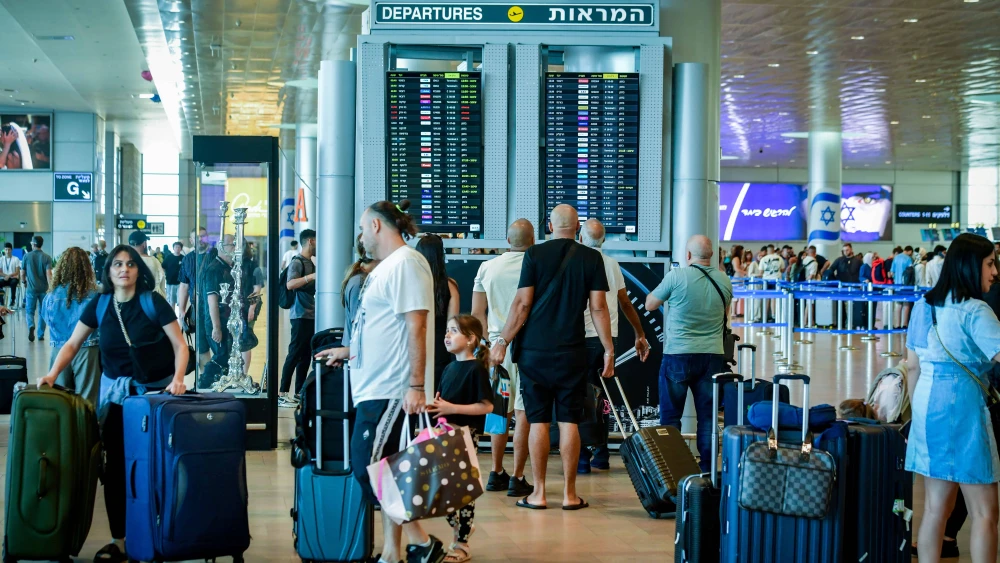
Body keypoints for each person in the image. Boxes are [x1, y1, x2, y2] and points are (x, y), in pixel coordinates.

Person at [39, 245, 188, 563]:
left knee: (155, 466)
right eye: (118, 264)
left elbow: (180, 345)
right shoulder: (101, 304)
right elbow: (72, 343)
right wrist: (52, 374)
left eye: (130, 264)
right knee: (117, 469)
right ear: (108, 271)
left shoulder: (152, 302)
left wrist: (178, 379)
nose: (124, 269)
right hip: (117, 402)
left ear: (139, 270)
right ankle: (118, 540)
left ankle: (157, 535)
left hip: (153, 399)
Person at [489, 204, 614, 511]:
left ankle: (539, 493)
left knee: (538, 421)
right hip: (573, 350)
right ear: (578, 227)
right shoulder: (591, 258)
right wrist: (609, 349)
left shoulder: (534, 254)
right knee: (570, 421)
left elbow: (522, 304)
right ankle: (570, 495)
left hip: (534, 352)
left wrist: (502, 341)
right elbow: (598, 307)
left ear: (549, 226)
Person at [343, 200, 445, 563]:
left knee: (368, 469)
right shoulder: (388, 268)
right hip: (376, 386)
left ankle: (422, 542)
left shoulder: (406, 263)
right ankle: (391, 553)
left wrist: (415, 386)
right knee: (387, 469)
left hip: (392, 390)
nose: (360, 237)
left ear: (375, 226)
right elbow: (383, 328)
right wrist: (348, 352)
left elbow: (416, 325)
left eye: (362, 229)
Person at [904, 233, 1000, 563]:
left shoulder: (923, 306)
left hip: (927, 406)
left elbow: (912, 366)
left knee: (935, 508)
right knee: (985, 512)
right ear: (971, 265)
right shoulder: (976, 311)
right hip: (965, 409)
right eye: (990, 264)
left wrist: (917, 417)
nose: (995, 272)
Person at [645, 235, 733, 472]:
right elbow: (725, 313)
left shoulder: (677, 276)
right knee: (708, 418)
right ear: (712, 255)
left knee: (670, 418)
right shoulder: (724, 279)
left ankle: (673, 471)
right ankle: (707, 470)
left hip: (678, 355)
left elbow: (649, 304)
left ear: (688, 255)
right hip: (712, 356)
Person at [577, 219, 650, 473]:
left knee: (581, 397)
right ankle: (602, 453)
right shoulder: (611, 264)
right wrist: (640, 333)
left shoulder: (576, 261)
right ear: (604, 240)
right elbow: (625, 303)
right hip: (608, 338)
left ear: (580, 237)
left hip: (581, 337)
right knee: (603, 396)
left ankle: (582, 457)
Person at [471, 219, 535, 497]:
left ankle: (496, 472)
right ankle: (518, 477)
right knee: (523, 412)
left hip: (498, 349)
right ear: (533, 241)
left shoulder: (487, 267)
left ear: (508, 241)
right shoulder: (536, 266)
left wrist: (489, 343)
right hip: (529, 347)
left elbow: (477, 313)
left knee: (500, 410)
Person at [425, 315, 494, 563]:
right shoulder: (448, 368)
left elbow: (486, 406)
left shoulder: (476, 369)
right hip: (444, 435)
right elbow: (442, 403)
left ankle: (462, 543)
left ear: (471, 339)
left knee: (463, 491)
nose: (447, 335)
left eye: (453, 331)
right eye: (447, 331)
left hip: (465, 436)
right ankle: (461, 527)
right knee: (439, 490)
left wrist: (452, 408)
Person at [39, 247, 101, 406]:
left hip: (59, 350)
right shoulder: (95, 294)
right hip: (88, 350)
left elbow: (46, 318)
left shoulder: (51, 296)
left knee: (61, 400)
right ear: (87, 268)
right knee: (87, 401)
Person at [415, 235, 461, 390]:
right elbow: (452, 325)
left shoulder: (410, 283)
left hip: (414, 348)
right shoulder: (450, 285)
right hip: (440, 351)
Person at [279, 229, 317, 408]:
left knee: (305, 355)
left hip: (310, 314)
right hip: (299, 314)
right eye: (317, 240)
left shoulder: (312, 261)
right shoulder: (297, 262)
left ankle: (299, 392)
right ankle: (282, 393)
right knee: (294, 353)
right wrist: (311, 277)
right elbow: (290, 284)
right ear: (310, 241)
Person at [199, 237, 236, 388]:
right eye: (233, 245)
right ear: (222, 247)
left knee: (226, 356)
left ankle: (220, 384)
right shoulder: (214, 269)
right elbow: (212, 301)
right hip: (217, 321)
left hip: (226, 320)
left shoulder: (227, 267)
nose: (235, 248)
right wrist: (216, 327)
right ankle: (204, 383)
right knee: (221, 356)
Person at [177, 227, 210, 366]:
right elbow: (184, 286)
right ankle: (205, 377)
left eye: (203, 236)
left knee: (219, 346)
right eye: (197, 237)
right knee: (201, 347)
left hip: (217, 309)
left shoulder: (216, 255)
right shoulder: (187, 260)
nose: (200, 239)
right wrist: (181, 310)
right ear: (191, 240)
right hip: (197, 309)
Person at [22, 235, 53, 342]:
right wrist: (51, 288)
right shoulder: (47, 257)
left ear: (34, 244)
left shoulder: (26, 256)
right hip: (43, 289)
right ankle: (40, 335)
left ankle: (31, 325)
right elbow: (49, 274)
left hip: (31, 289)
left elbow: (22, 273)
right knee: (42, 312)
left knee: (29, 311)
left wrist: (24, 282)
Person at [129, 231, 167, 299]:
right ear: (144, 244)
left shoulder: (127, 261)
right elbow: (161, 279)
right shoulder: (154, 261)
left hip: (131, 297)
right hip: (152, 298)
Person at [758, 244, 784, 322]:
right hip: (776, 280)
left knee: (766, 298)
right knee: (774, 298)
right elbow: (782, 270)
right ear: (773, 250)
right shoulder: (779, 258)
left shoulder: (763, 259)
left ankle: (765, 317)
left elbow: (761, 272)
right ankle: (774, 316)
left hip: (766, 281)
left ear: (767, 250)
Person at [162, 241, 184, 310]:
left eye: (179, 247)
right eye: (176, 247)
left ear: (181, 249)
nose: (177, 248)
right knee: (171, 300)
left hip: (181, 283)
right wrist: (165, 275)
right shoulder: (169, 257)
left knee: (181, 300)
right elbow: (163, 267)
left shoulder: (183, 258)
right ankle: (172, 314)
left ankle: (181, 314)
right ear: (173, 248)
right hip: (170, 282)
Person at [1, 242, 21, 309]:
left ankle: (12, 300)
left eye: (9, 249)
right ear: (4, 250)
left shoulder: (16, 259)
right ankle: (1, 300)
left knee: (13, 282)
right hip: (5, 278)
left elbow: (17, 272)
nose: (7, 251)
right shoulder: (1, 259)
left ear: (11, 250)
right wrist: (6, 276)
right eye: (6, 249)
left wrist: (9, 276)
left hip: (13, 278)